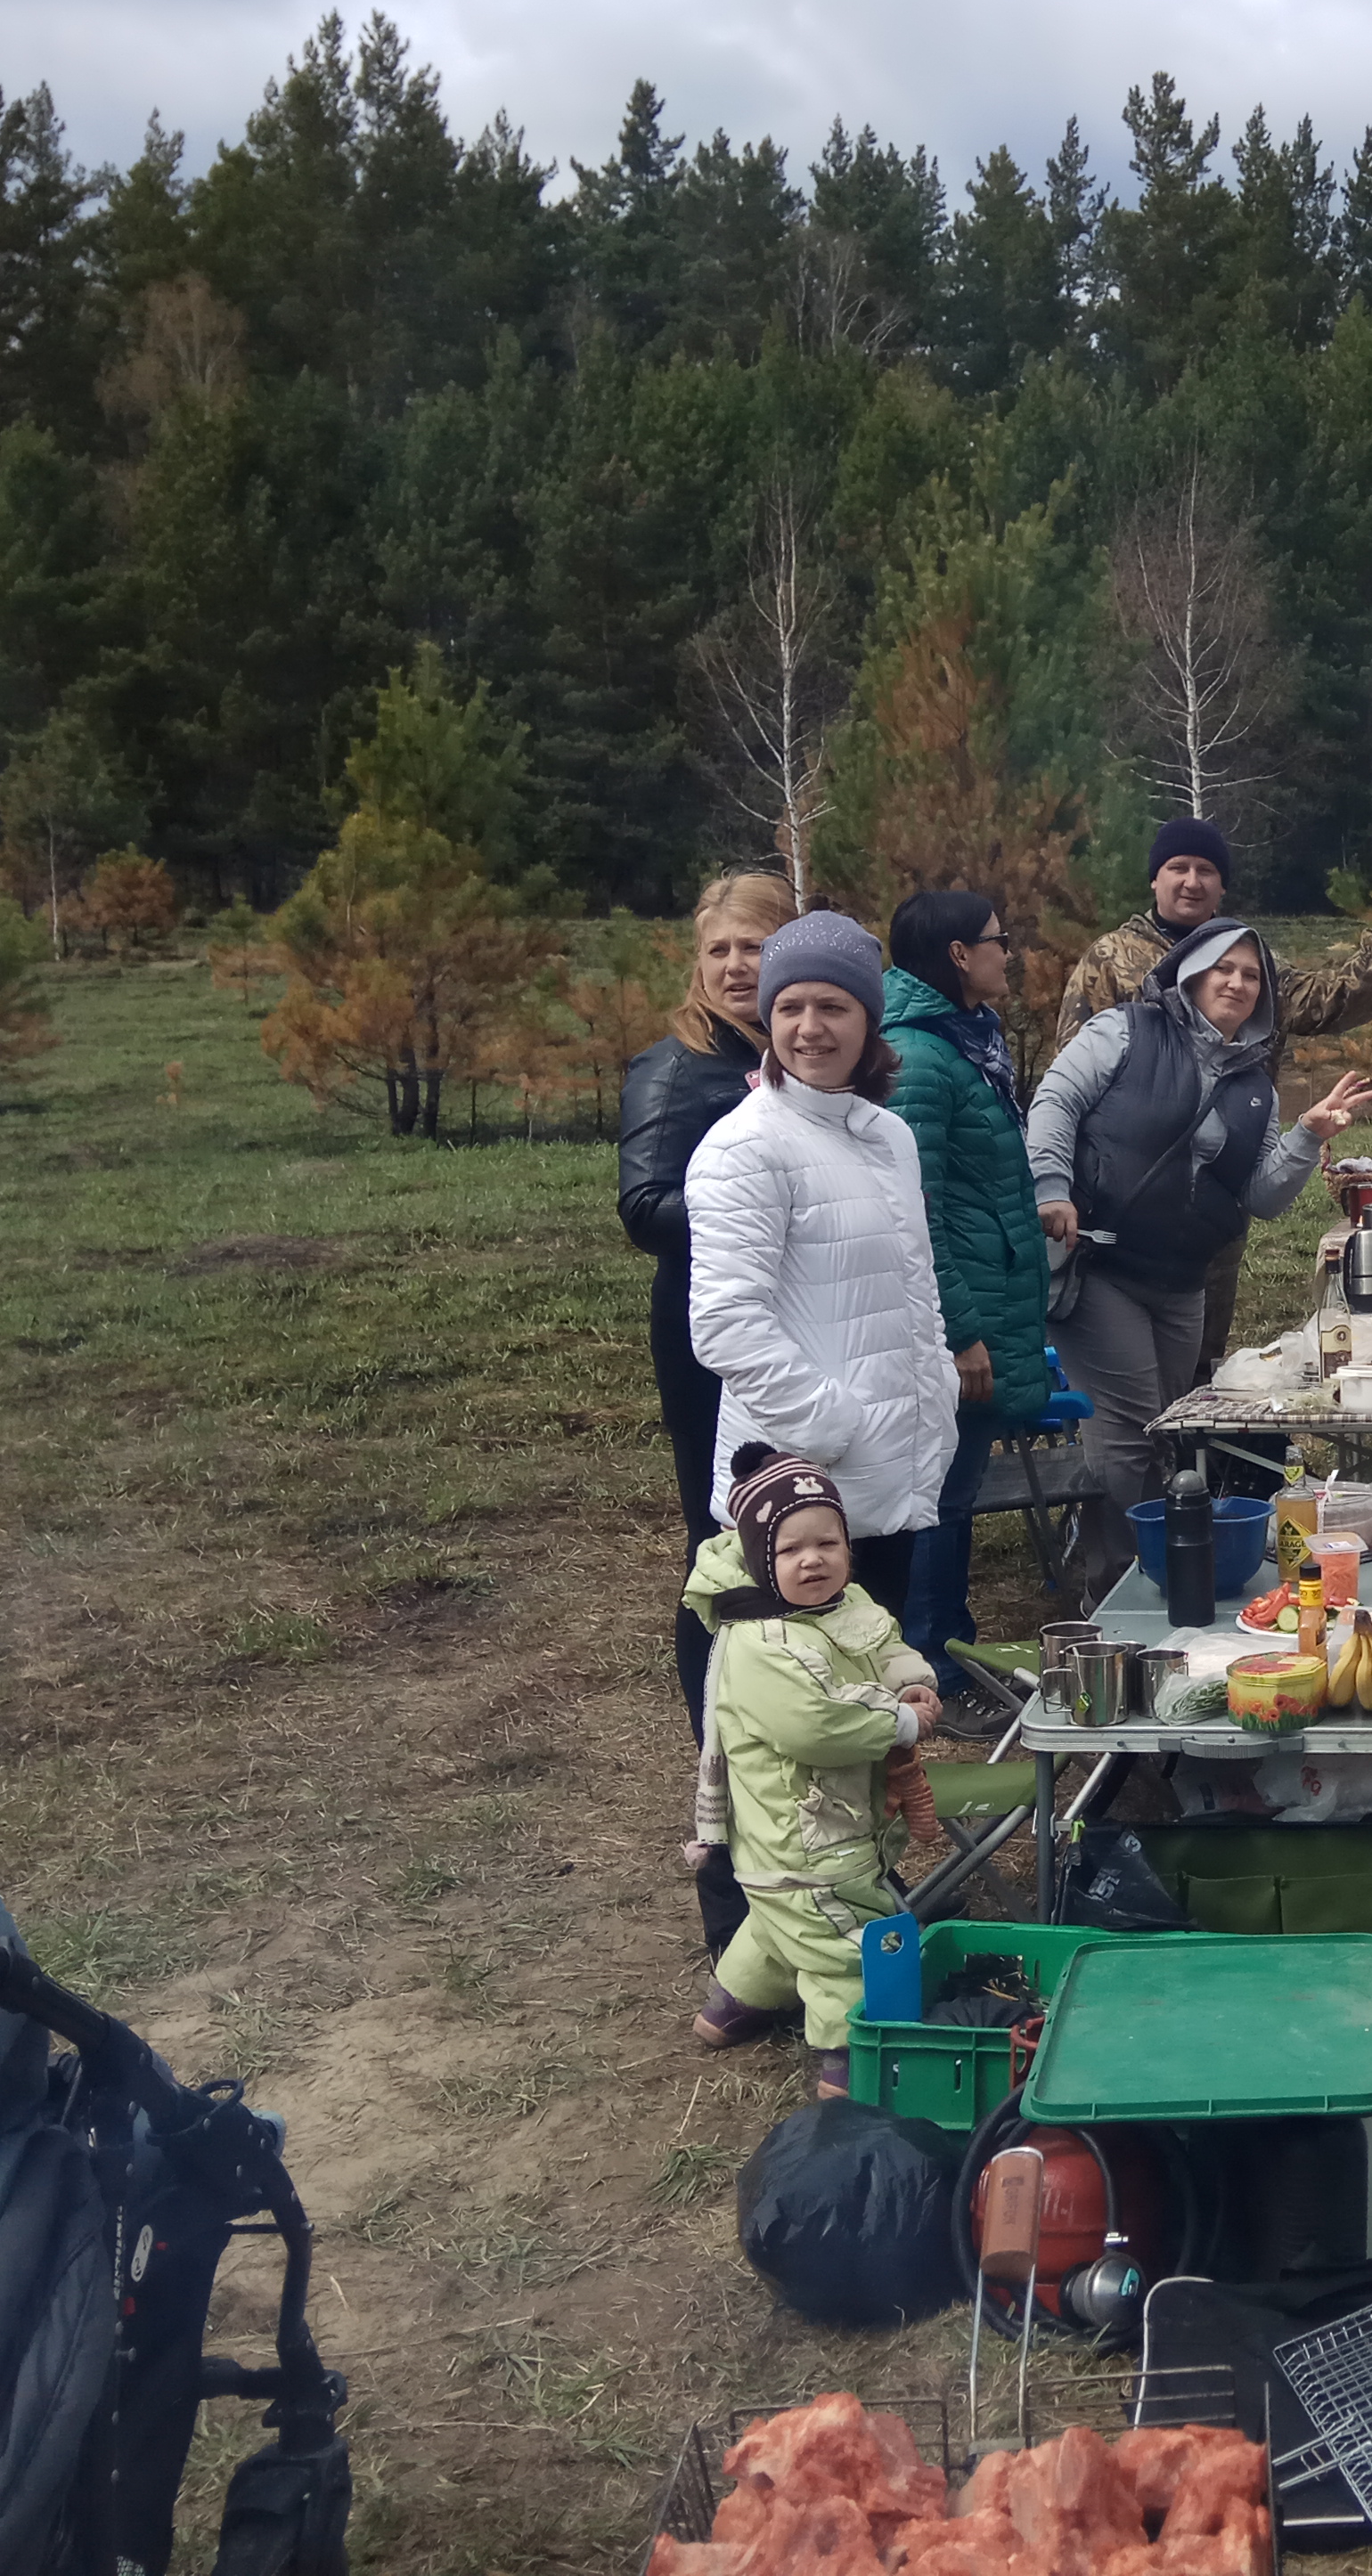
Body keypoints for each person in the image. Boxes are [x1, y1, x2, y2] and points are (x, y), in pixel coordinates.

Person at [1031, 922, 1372, 1592]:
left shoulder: (1256, 1087)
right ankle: (1119, 1586)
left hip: (1182, 1281)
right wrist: (1050, 1187)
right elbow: (1055, 1101)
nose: (1238, 983)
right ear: (1190, 973)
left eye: (1252, 976)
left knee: (1167, 1432)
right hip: (1101, 1265)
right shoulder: (1125, 1031)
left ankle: (1166, 1570)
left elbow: (1261, 1196)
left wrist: (1306, 1136)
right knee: (1130, 1433)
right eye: (1225, 968)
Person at [1055, 818, 1372, 1388]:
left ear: (1222, 885)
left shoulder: (1248, 958)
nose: (1191, 881)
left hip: (1222, 1181)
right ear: (1155, 879)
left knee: (1200, 1349)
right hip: (1126, 1198)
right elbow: (1070, 1076)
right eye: (1178, 868)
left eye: (1206, 870)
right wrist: (1066, 1186)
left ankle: (1192, 1435)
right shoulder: (1110, 960)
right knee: (1124, 1371)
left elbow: (1327, 1001)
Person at [685, 911, 962, 1624]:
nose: (810, 1029)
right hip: (802, 1491)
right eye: (790, 1008)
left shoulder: (888, 1136)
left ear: (869, 1020)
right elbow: (725, 1323)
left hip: (889, 1470)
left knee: (874, 1668)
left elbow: (914, 1286)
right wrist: (831, 1426)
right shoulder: (744, 1148)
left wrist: (937, 1389)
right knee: (800, 1685)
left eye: (833, 1007)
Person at [617, 867, 797, 1950]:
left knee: (798, 1548)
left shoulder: (781, 1057)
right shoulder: (676, 1068)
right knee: (727, 1555)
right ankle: (726, 1838)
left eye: (754, 948)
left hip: (790, 1329)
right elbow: (644, 1206)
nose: (735, 967)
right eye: (719, 950)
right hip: (709, 1343)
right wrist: (762, 1200)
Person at [684, 1447, 943, 2084]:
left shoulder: (843, 1602)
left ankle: (732, 2006)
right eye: (790, 1549)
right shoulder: (761, 1642)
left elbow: (883, 1642)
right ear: (758, 1559)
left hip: (819, 1825)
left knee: (781, 1926)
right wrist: (899, 1722)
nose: (813, 1560)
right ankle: (850, 2060)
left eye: (828, 1542)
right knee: (845, 1939)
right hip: (803, 1835)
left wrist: (911, 1681)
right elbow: (815, 1725)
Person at [882, 888, 1049, 1701]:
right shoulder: (919, 1059)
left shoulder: (966, 1042)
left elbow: (974, 1184)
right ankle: (934, 1669)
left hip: (990, 1290)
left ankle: (948, 1648)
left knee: (956, 1492)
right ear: (958, 954)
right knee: (940, 1501)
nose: (1007, 953)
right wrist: (960, 1332)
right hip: (964, 1316)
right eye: (997, 939)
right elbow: (918, 1209)